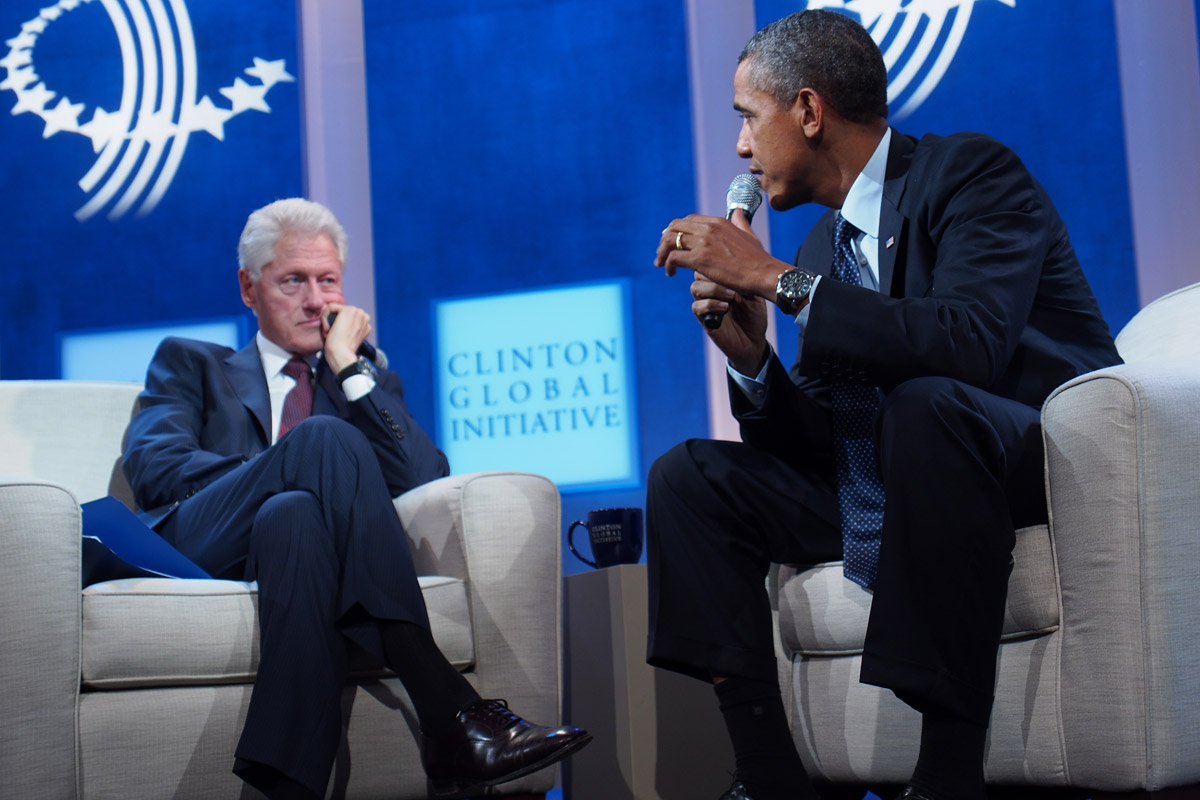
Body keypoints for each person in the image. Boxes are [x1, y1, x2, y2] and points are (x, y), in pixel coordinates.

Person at [649, 10, 1120, 800]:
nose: (739, 149)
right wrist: (754, 360)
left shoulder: (971, 173)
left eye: (747, 120)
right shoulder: (817, 248)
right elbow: (828, 439)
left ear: (807, 111)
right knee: (689, 478)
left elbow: (967, 344)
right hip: (902, 479)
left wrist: (776, 281)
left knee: (926, 406)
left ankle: (946, 771)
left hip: (1018, 458)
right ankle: (769, 775)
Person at [122, 198, 590, 800]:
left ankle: (285, 784)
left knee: (292, 515)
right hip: (202, 541)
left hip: (297, 552)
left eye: (328, 281)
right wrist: (286, 467)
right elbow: (157, 470)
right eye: (293, 280)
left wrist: (346, 365)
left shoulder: (363, 382)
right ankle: (446, 709)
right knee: (316, 446)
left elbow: (424, 477)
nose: (316, 301)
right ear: (248, 287)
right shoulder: (191, 363)